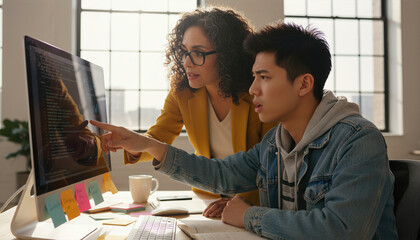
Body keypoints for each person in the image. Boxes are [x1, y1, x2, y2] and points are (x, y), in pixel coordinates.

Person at [91, 22, 397, 239]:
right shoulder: (274, 144)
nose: (253, 89)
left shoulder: (357, 140)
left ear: (304, 83)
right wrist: (151, 145)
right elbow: (221, 175)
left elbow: (343, 231)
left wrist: (249, 216)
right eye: (253, 77)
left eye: (263, 77)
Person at [123, 7, 277, 215]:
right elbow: (159, 135)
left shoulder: (257, 93)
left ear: (227, 55)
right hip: (207, 201)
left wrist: (241, 203)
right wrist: (129, 143)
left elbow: (270, 164)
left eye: (198, 53)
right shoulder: (183, 93)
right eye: (184, 52)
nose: (187, 62)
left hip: (256, 203)